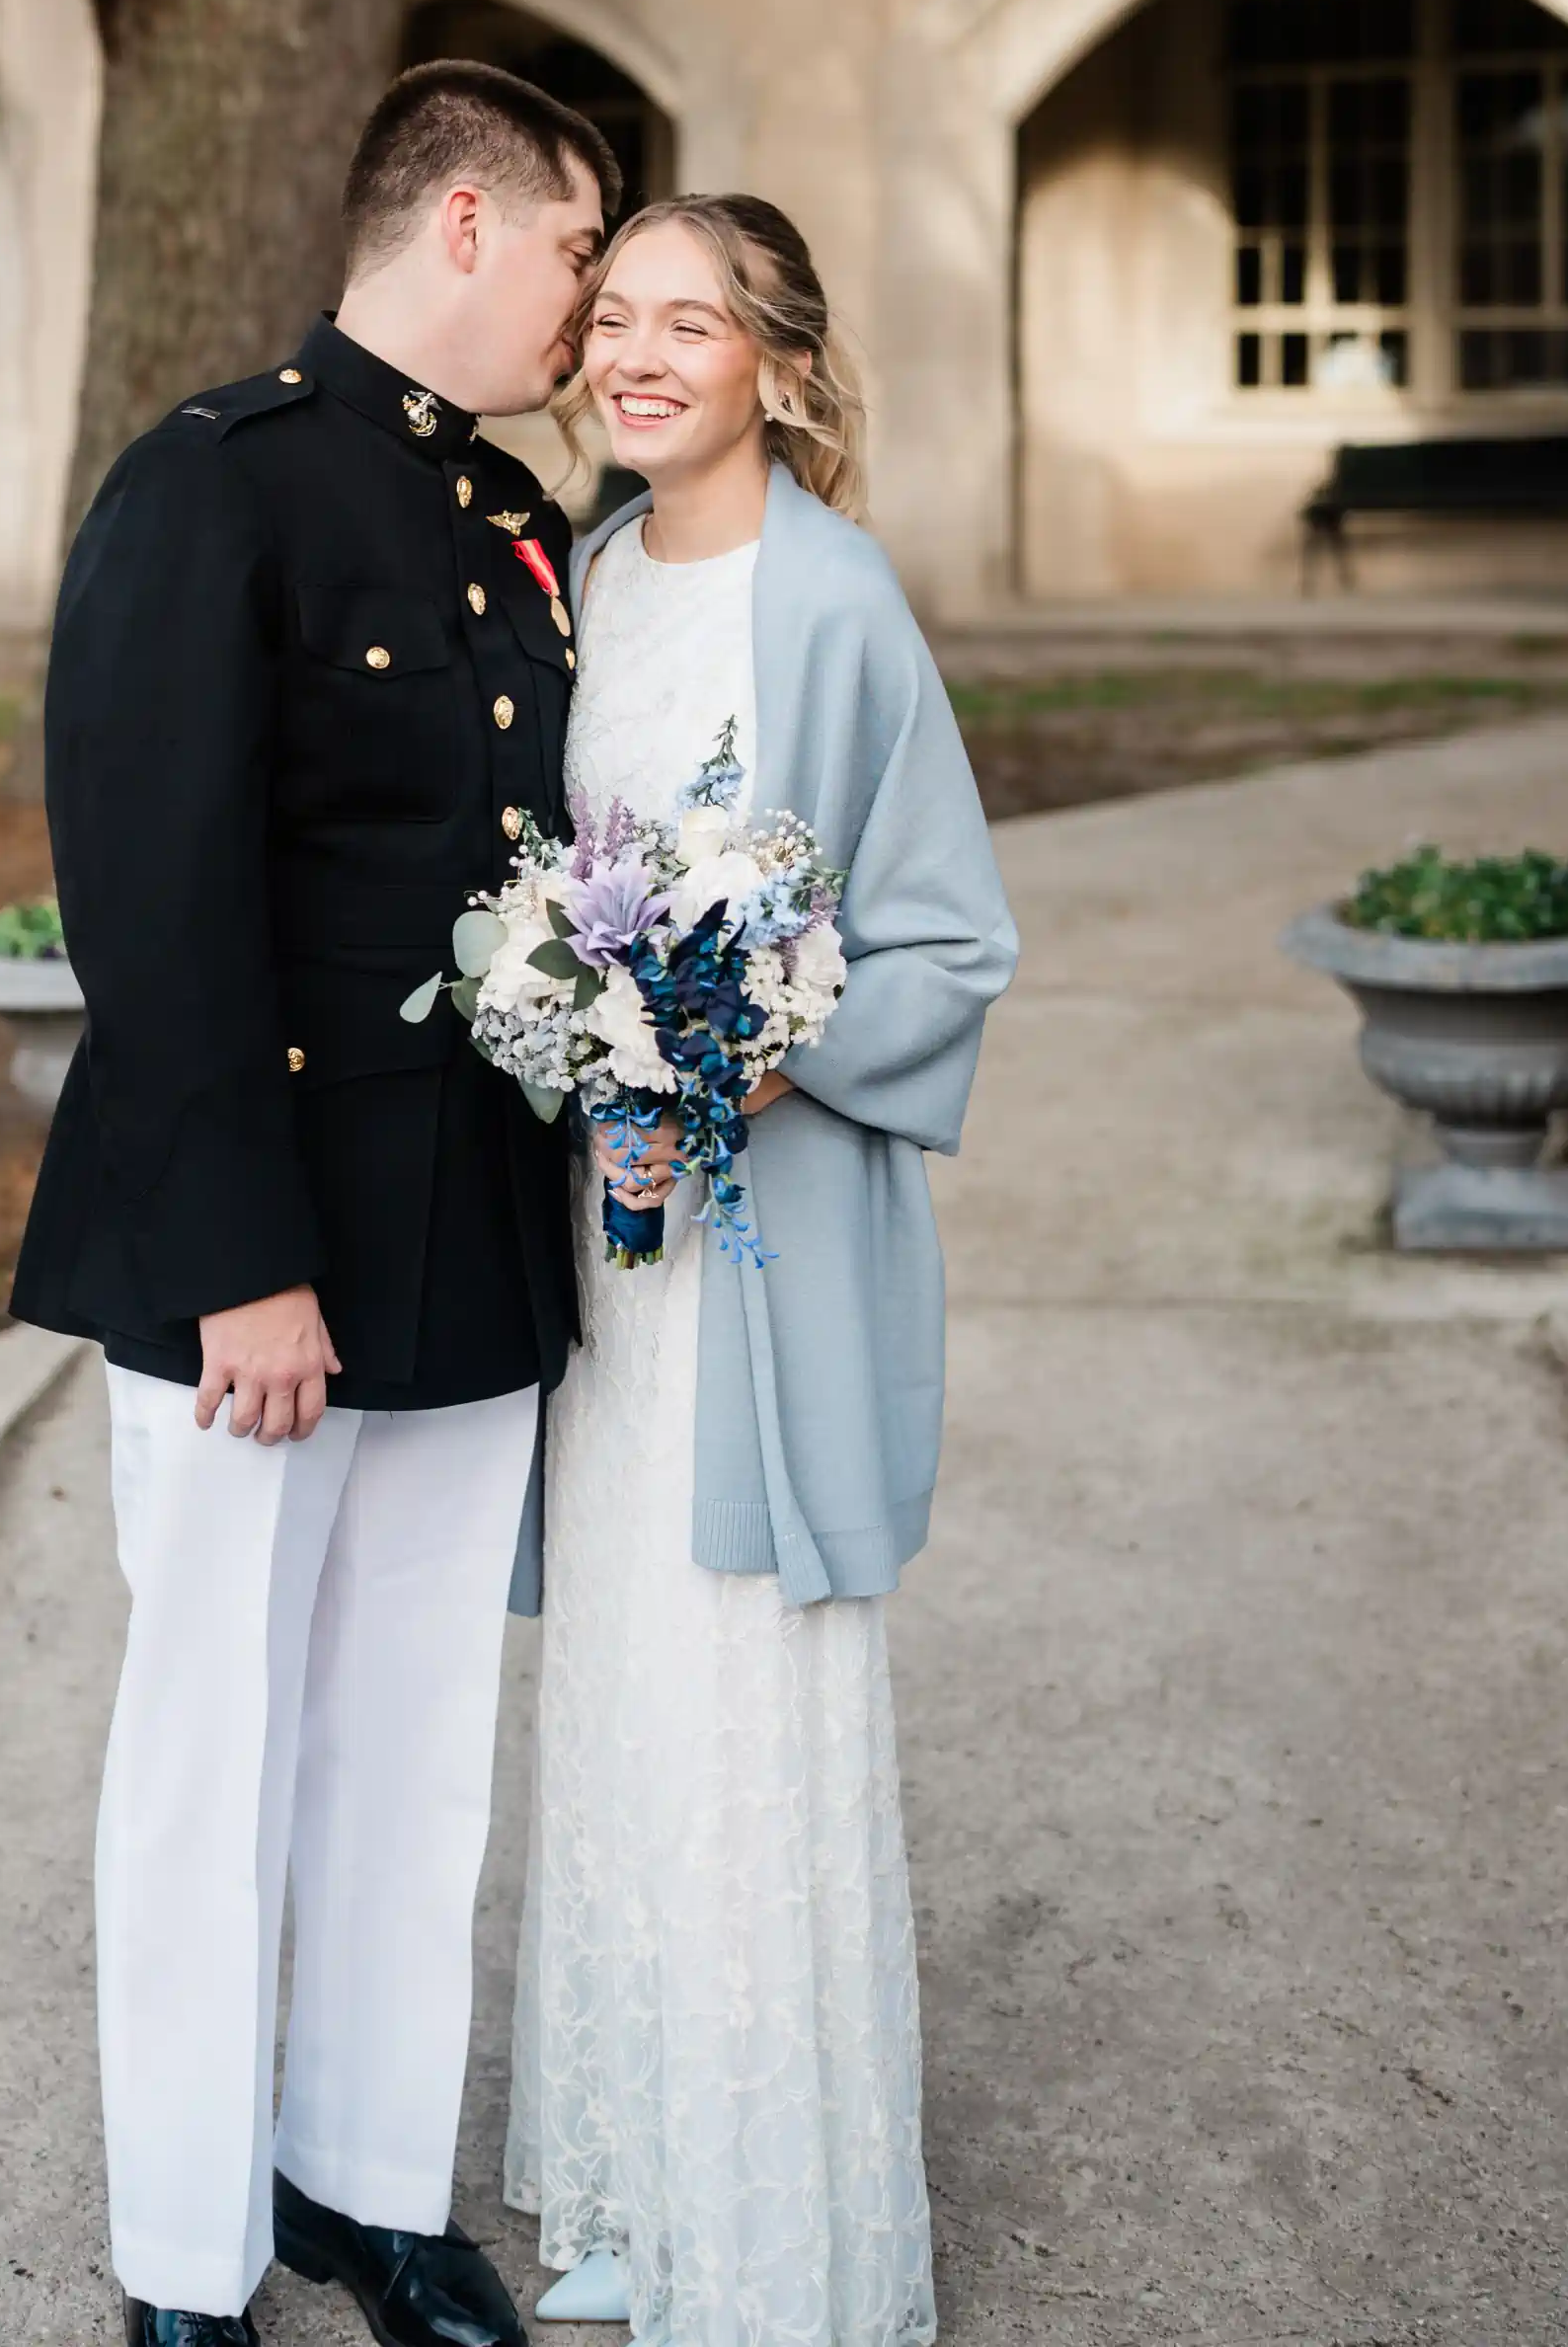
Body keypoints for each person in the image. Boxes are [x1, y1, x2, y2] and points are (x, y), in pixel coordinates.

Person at [11, 60, 619, 2347]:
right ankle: (186, 2256)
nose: (588, 302)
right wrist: (241, 1266)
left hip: (464, 1238)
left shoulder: (510, 519)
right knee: (212, 1752)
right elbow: (151, 902)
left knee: (410, 1740)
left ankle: (362, 2186)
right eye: (575, 248)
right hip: (252, 1259)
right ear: (462, 220)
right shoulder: (214, 483)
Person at [505, 195, 1019, 2347]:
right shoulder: (593, 575)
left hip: (760, 1240)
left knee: (739, 1681)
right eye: (610, 315)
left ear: (776, 368)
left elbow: (949, 937)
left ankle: (772, 2225)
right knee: (627, 1674)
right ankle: (640, 2172)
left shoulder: (832, 603)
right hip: (609, 1251)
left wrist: (744, 1054)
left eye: (687, 324)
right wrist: (581, 1035)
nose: (635, 356)